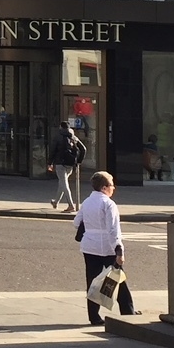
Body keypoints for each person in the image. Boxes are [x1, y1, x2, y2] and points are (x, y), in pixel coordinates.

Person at [75, 170, 135, 324]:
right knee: (117, 279)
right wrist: (119, 250)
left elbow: (76, 222)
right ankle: (127, 311)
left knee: (92, 281)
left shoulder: (87, 201)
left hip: (89, 246)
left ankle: (93, 316)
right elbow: (113, 229)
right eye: (111, 185)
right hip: (107, 247)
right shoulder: (108, 204)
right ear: (104, 187)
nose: (113, 188)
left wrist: (89, 226)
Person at [49, 123, 84, 212]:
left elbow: (53, 150)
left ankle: (71, 205)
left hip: (60, 163)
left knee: (64, 184)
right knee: (62, 183)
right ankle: (55, 202)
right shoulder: (74, 137)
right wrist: (78, 161)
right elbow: (83, 149)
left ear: (61, 127)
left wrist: (50, 163)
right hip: (70, 164)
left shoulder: (58, 137)